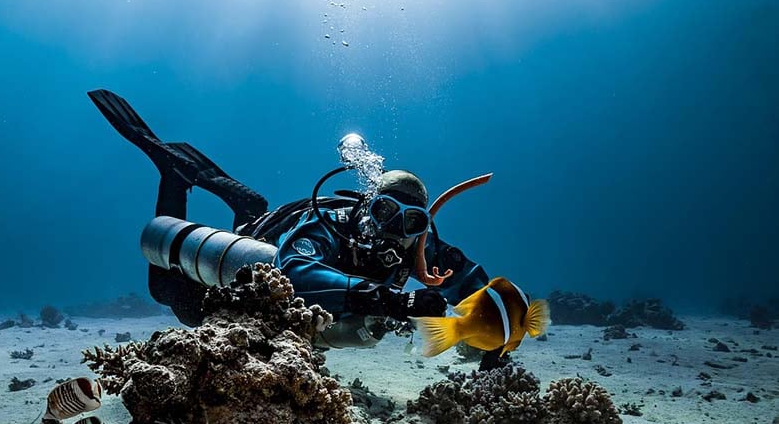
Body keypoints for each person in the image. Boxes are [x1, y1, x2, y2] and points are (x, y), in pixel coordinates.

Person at [88, 90, 503, 366]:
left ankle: (236, 198)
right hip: (262, 253)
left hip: (283, 247)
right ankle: (173, 177)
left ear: (422, 226)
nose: (394, 228)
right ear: (366, 206)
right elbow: (293, 272)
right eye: (383, 211)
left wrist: (497, 328)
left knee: (251, 209)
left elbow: (465, 277)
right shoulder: (332, 223)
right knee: (170, 294)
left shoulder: (418, 246)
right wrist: (391, 302)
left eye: (411, 221)